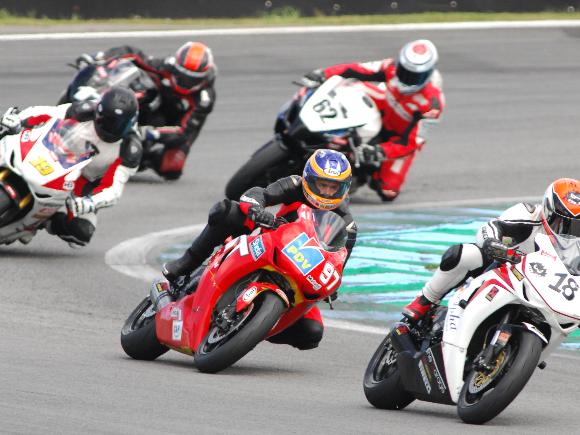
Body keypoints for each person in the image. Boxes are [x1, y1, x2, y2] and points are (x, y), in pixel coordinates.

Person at [162, 149, 358, 350]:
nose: (326, 192)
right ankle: (187, 263)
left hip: (300, 268)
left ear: (344, 188)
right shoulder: (295, 185)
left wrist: (332, 288)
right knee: (227, 212)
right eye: (322, 184)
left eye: (333, 187)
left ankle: (253, 326)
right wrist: (257, 210)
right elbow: (259, 194)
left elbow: (339, 263)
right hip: (267, 242)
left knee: (312, 333)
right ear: (309, 179)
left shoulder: (347, 224)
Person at [403, 178, 580, 321]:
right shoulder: (528, 215)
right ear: (548, 211)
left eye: (576, 226)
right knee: (465, 254)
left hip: (544, 294)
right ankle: (425, 299)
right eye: (563, 222)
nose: (568, 231)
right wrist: (493, 243)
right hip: (503, 270)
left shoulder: (576, 247)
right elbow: (489, 228)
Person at [302, 39, 445, 201]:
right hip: (382, 106)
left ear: (427, 73)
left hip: (398, 139)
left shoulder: (432, 105)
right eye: (404, 70)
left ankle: (362, 173)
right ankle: (313, 122)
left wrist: (380, 152)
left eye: (414, 76)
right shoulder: (390, 67)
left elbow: (411, 143)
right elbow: (355, 69)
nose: (406, 78)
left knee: (388, 191)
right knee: (347, 87)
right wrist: (324, 73)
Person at [0, 86, 142, 247]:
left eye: (117, 124)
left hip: (82, 182)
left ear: (130, 122)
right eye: (106, 119)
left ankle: (44, 221)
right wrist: (18, 118)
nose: (109, 127)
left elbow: (114, 189)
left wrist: (91, 202)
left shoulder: (130, 149)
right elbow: (48, 112)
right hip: (53, 151)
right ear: (99, 112)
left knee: (81, 232)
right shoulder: (86, 109)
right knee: (5, 128)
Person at [75, 41, 217, 180]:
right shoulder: (167, 66)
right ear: (176, 66)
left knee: (171, 168)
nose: (185, 81)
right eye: (182, 75)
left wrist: (151, 133)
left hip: (174, 125)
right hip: (150, 105)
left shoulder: (204, 99)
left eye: (192, 79)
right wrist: (100, 58)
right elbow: (132, 53)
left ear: (204, 76)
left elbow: (184, 132)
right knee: (139, 85)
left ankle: (142, 158)